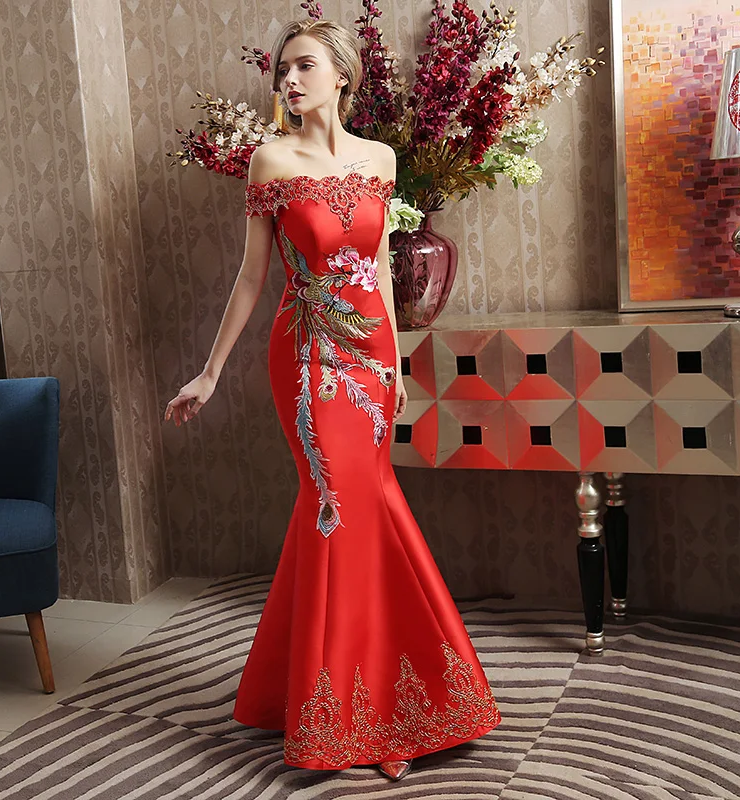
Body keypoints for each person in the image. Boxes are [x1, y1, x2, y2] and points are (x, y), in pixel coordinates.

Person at [164, 17, 501, 781]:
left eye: (304, 66)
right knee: (337, 505)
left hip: (371, 359)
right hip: (309, 354)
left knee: (358, 509)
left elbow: (377, 267)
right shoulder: (270, 160)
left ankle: (339, 694)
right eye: (283, 69)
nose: (289, 80)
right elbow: (253, 277)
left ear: (341, 74)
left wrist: (398, 366)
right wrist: (210, 372)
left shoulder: (380, 158)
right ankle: (359, 716)